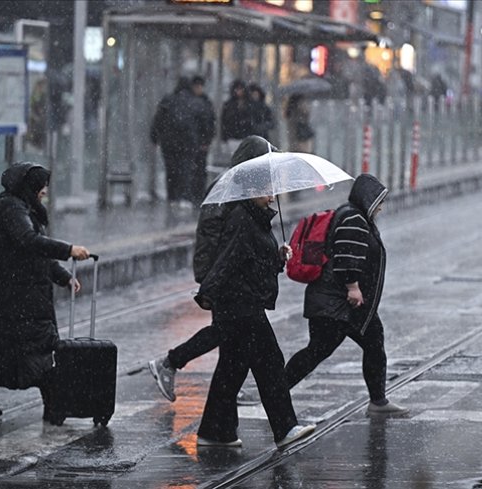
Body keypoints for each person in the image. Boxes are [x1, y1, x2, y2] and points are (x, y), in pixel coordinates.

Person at [0, 162, 91, 424]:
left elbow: (33, 253)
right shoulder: (10, 208)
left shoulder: (19, 207)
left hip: (4, 298)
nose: (44, 192)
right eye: (42, 186)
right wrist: (68, 249)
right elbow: (29, 242)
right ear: (29, 187)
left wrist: (62, 276)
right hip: (12, 300)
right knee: (34, 353)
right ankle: (55, 409)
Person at [148, 136, 278, 404]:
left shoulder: (240, 187)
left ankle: (223, 389)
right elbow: (214, 236)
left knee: (230, 335)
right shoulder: (230, 189)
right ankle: (171, 362)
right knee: (227, 331)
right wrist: (209, 277)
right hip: (224, 276)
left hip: (229, 274)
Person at [194, 167, 315, 449]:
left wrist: (277, 258)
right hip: (240, 304)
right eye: (267, 190)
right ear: (251, 192)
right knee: (270, 363)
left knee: (232, 368)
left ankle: (214, 431)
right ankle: (285, 427)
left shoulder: (257, 218)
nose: (273, 196)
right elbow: (229, 259)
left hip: (244, 302)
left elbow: (254, 262)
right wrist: (207, 292)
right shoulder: (242, 219)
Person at [284, 174, 409, 417]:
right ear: (369, 199)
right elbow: (346, 257)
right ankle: (276, 391)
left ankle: (378, 401)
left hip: (339, 302)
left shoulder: (353, 215)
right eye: (379, 201)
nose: (381, 207)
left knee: (365, 343)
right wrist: (353, 286)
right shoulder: (354, 218)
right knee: (321, 350)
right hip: (339, 303)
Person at [150, 77, 200, 208]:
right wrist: (202, 140)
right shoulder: (194, 101)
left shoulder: (167, 100)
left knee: (171, 170)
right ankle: (184, 197)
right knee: (186, 169)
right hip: (188, 142)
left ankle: (172, 197)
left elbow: (158, 120)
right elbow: (203, 121)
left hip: (169, 142)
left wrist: (154, 137)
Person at [189, 75, 216, 206]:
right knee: (195, 169)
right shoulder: (202, 102)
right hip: (194, 141)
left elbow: (210, 123)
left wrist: (206, 140)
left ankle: (198, 194)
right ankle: (195, 194)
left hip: (200, 141)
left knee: (200, 168)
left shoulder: (204, 102)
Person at [220, 79, 255, 154]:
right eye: (237, 89)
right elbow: (224, 122)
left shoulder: (250, 104)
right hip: (233, 136)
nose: (239, 91)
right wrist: (224, 138)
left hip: (246, 136)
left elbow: (254, 119)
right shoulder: (229, 105)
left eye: (241, 89)